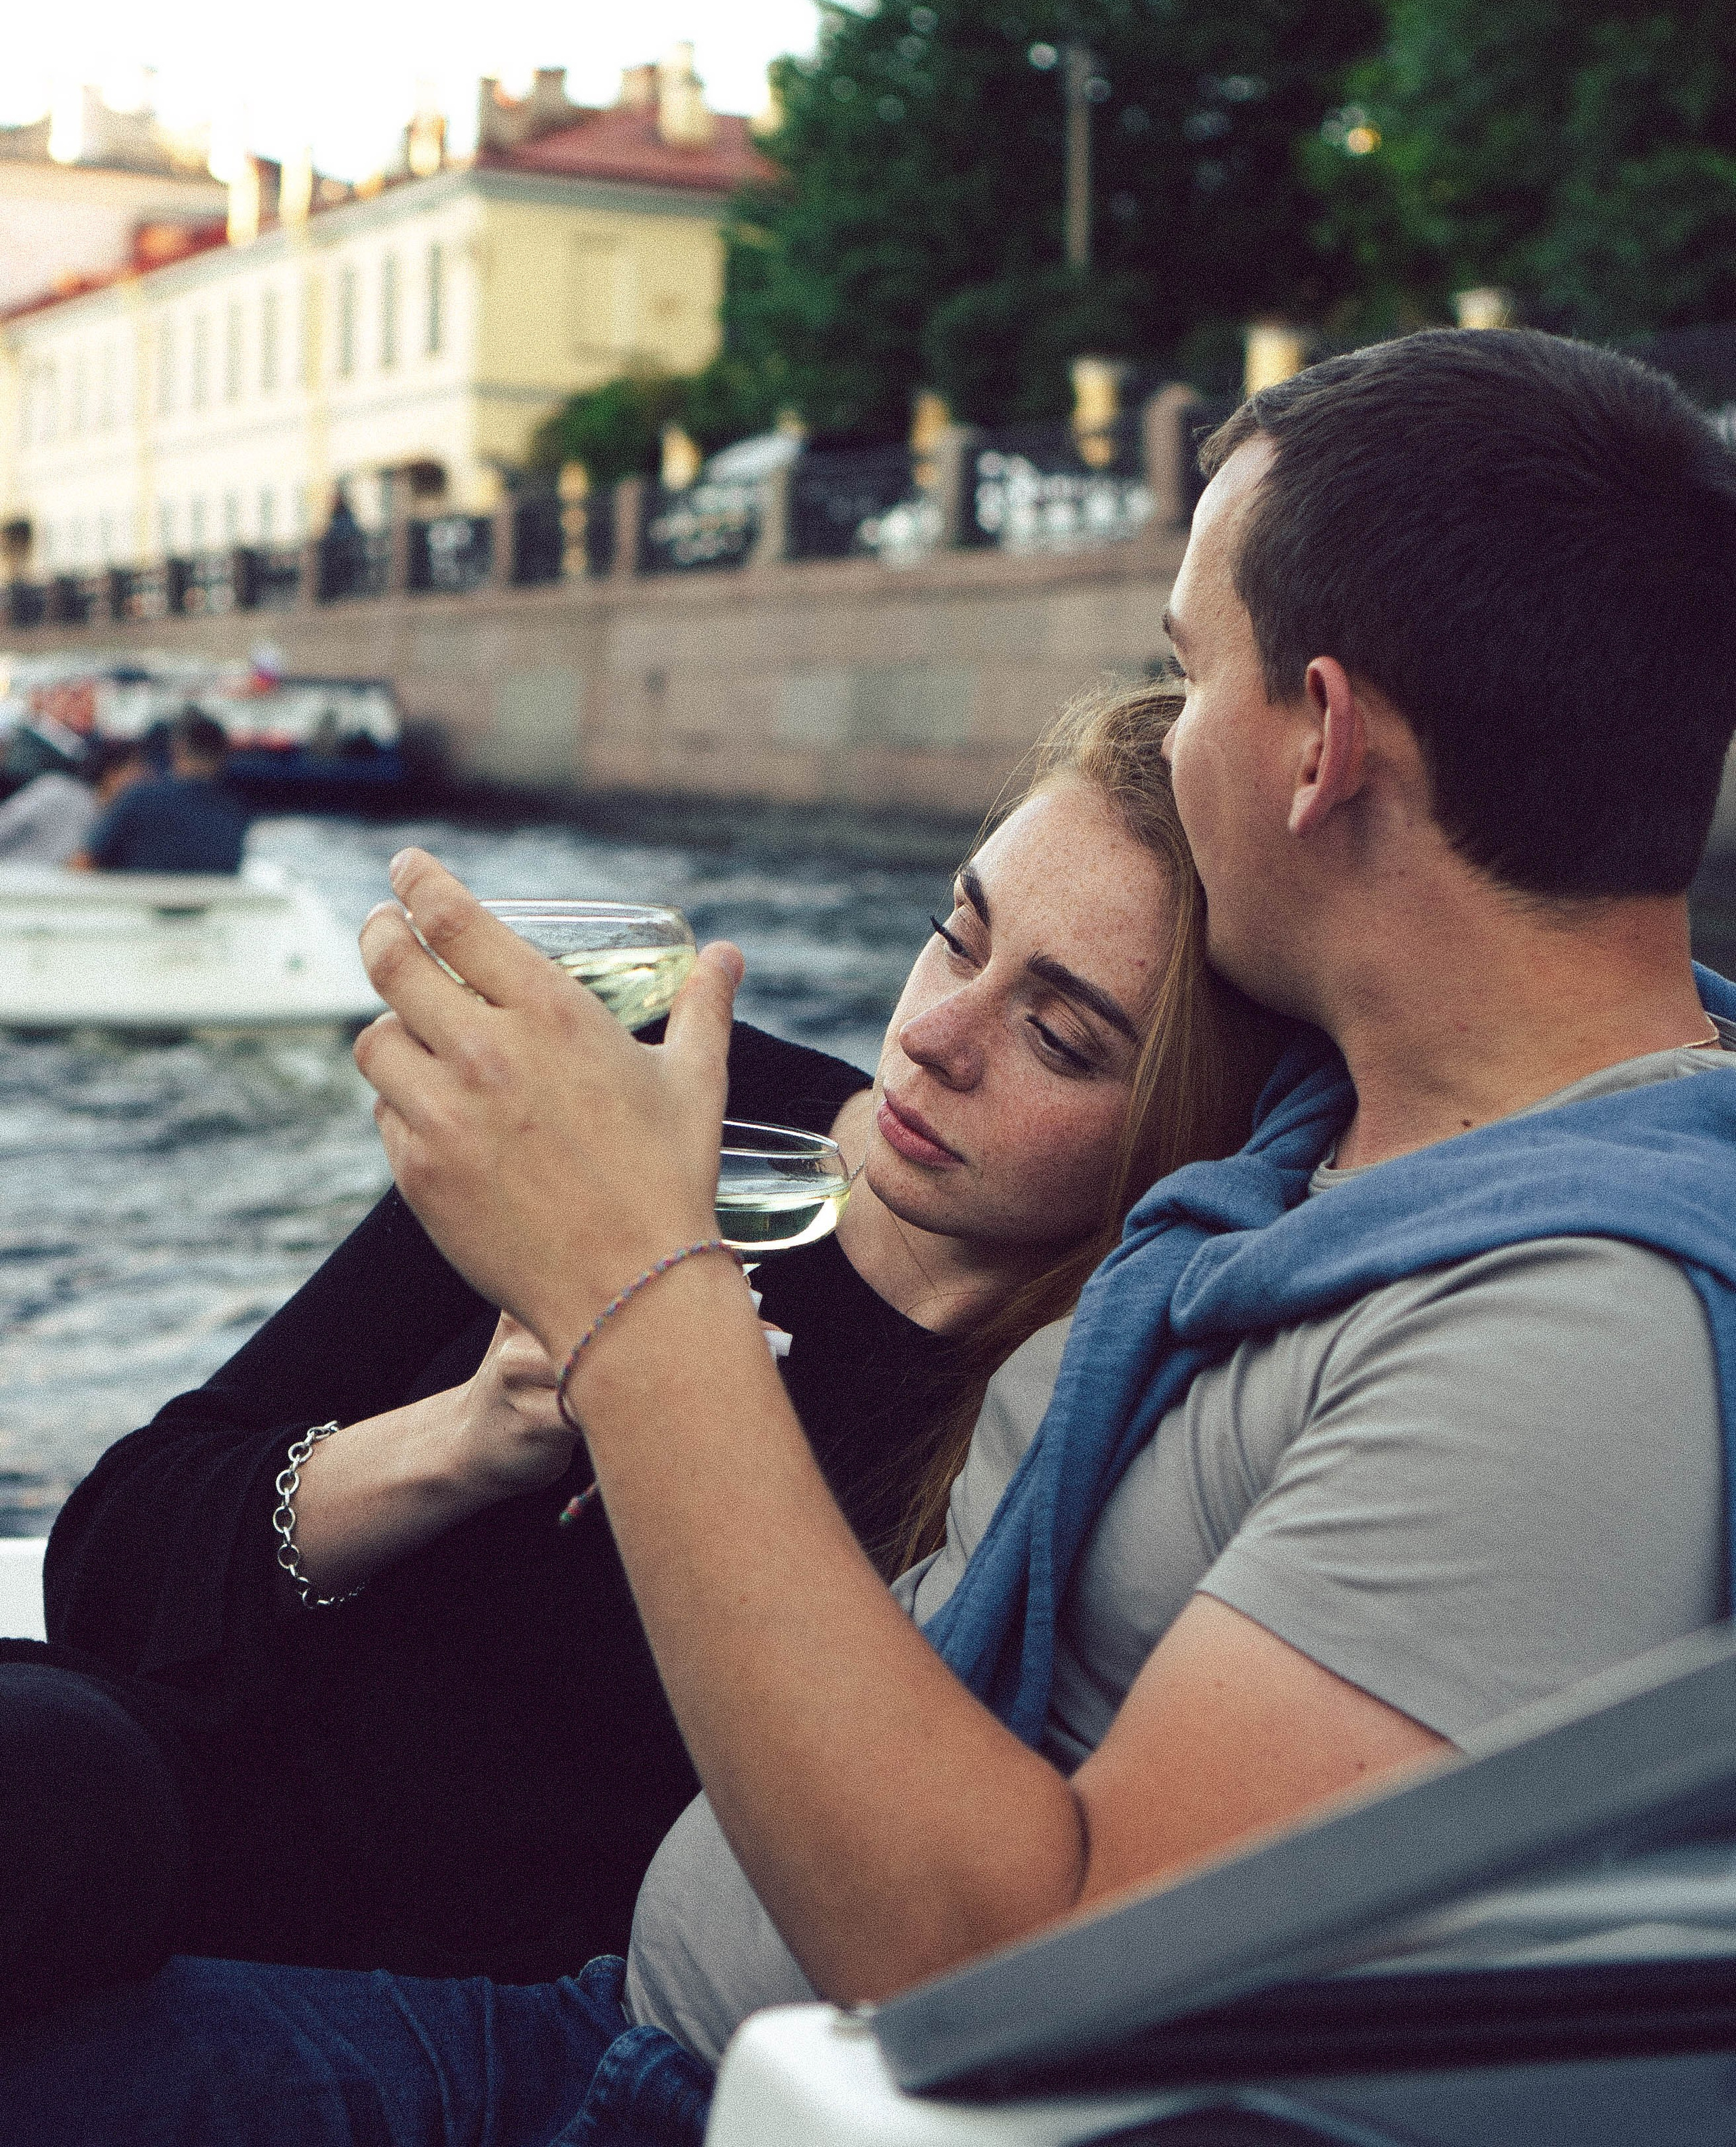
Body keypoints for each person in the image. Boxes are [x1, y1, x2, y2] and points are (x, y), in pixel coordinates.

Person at [12, 326, 1736, 2147]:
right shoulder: (1356, 1150)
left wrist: (628, 1277)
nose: (939, 1039)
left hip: (651, 2070)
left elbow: (1031, 1972)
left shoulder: (1561, 1326)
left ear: (1320, 742)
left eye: (1187, 668)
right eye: (955, 935)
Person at [1, 685, 1282, 2015]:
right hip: (165, 1813)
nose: (929, 1037)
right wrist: (465, 1441)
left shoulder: (1082, 1420)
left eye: (1059, 1039)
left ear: (1194, 1125)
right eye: (956, 939)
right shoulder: (637, 1108)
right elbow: (115, 1561)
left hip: (477, 2025)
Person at [71, 710, 250, 876]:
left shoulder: (140, 799)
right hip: (213, 899)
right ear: (223, 754)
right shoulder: (238, 809)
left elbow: (83, 863)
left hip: (137, 899)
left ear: (177, 748)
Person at [0, 737, 144, 866]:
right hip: (16, 880)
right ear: (112, 773)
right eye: (137, 772)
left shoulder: (115, 819)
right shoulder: (57, 790)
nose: (144, 779)